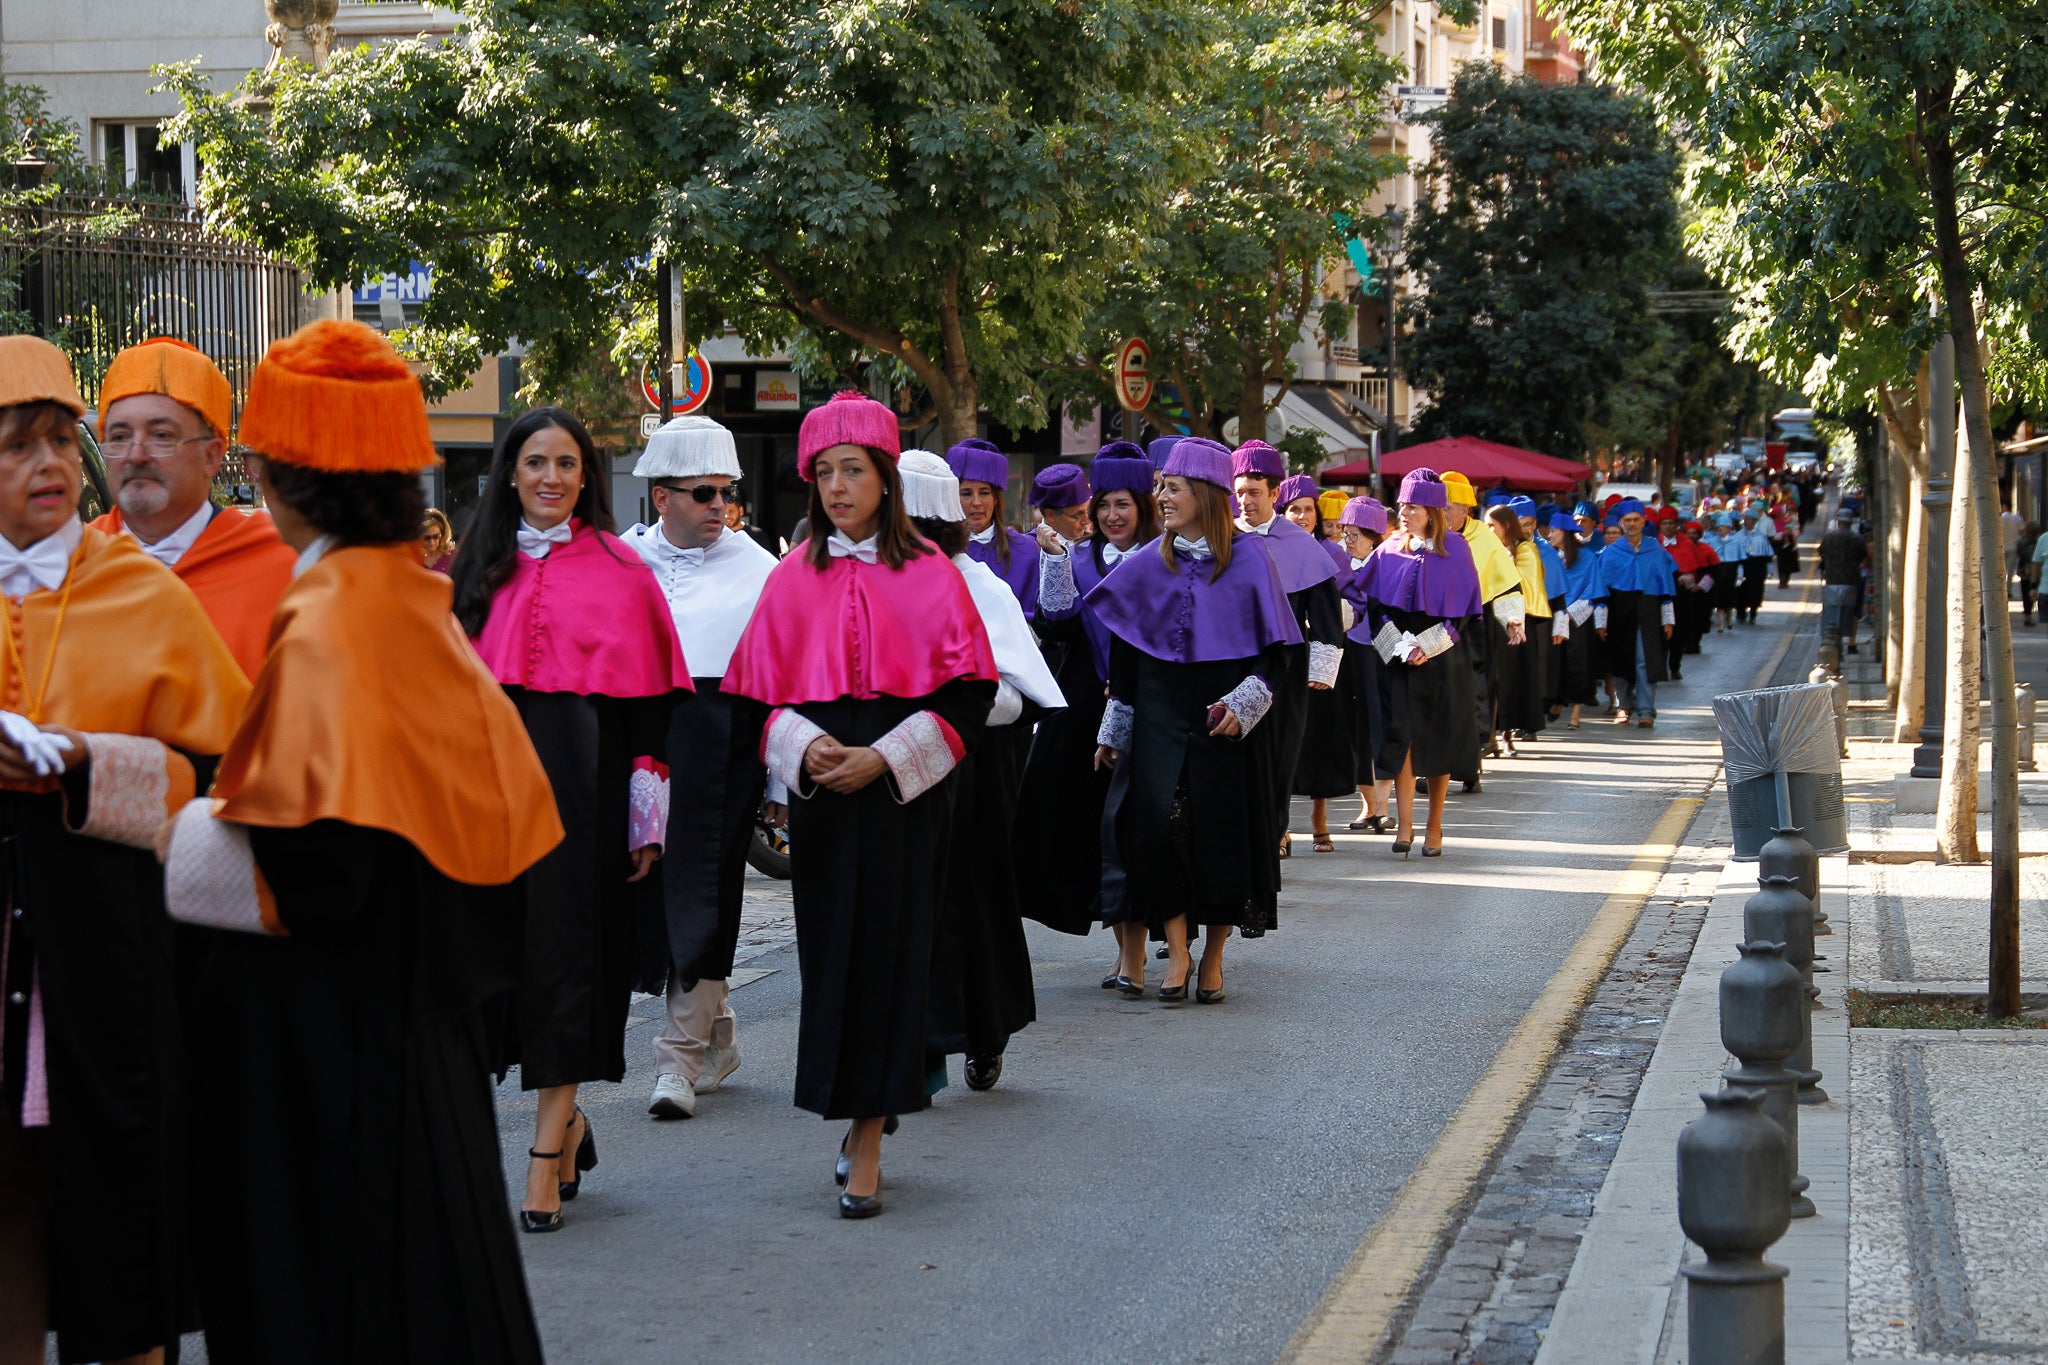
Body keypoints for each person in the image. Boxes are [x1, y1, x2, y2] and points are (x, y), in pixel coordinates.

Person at [159, 319, 560, 1364]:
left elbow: (316, 867)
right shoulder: (406, 597)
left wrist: (157, 820)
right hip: (412, 1019)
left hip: (326, 1042)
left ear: (276, 472)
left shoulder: (332, 613)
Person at [0, 337, 248, 1365]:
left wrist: (84, 768)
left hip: (104, 947)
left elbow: (217, 769)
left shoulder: (144, 592)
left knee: (115, 1195)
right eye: (16, 448)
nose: (48, 465)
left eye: (60, 441)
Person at [724, 391, 998, 1219]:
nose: (838, 486)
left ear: (886, 478)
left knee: (892, 954)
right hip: (822, 792)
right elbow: (749, 698)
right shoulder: (787, 579)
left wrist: (884, 755)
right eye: (824, 473)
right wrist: (804, 750)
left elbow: (970, 693)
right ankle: (852, 1117)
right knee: (836, 958)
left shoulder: (934, 575)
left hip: (903, 793)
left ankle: (872, 1134)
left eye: (854, 469)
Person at [450, 406, 690, 1232]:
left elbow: (653, 720)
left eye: (566, 463)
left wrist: (644, 821)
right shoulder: (465, 571)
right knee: (491, 970)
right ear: (509, 473)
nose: (550, 477)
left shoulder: (625, 573)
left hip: (579, 804)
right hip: (481, 804)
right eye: (534, 462)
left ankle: (546, 1152)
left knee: (564, 968)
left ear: (586, 475)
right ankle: (568, 1124)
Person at [1088, 437, 1300, 1004]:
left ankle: (1214, 955)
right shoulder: (1146, 562)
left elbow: (1278, 653)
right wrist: (1115, 729)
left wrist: (1246, 702)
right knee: (1158, 831)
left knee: (1219, 834)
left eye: (1171, 488)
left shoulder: (1252, 559)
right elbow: (1127, 654)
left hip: (1222, 720)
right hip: (1158, 714)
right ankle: (1178, 950)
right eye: (1159, 487)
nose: (1160, 498)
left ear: (1204, 495)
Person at [621, 416, 779, 1121]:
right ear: (662, 497)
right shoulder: (624, 561)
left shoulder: (762, 570)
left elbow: (784, 686)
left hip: (725, 745)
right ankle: (715, 1035)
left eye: (728, 493)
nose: (721, 506)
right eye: (705, 492)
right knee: (649, 896)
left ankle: (676, 1059)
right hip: (641, 746)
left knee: (705, 893)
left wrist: (779, 783)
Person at [899, 450, 1062, 1091]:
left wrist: (939, 705)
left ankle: (984, 1030)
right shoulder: (872, 579)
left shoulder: (980, 586)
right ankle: (918, 1044)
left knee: (973, 901)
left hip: (971, 768)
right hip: (896, 767)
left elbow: (1015, 695)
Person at [1017, 443, 1157, 983]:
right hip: (1083, 716)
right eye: (1103, 507)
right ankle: (1124, 952)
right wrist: (1055, 560)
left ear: (1142, 505)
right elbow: (1055, 623)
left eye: (1123, 505)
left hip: (1146, 705)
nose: (1111, 517)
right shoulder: (1076, 558)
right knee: (1092, 828)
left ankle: (1140, 953)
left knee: (1135, 827)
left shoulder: (1164, 559)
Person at [87, 336, 296, 680]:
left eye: (162, 436)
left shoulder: (282, 566)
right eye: (120, 437)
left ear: (211, 456)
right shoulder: (69, 566)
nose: (136, 455)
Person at [1346, 470, 1483, 858]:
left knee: (1437, 740)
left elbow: (1465, 612)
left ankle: (1434, 825)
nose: (1404, 513)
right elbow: (1374, 606)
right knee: (1400, 738)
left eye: (1414, 507)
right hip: (1398, 655)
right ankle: (1404, 825)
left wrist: (1430, 645)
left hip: (1442, 656)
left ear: (1433, 512)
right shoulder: (1388, 549)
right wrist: (1397, 645)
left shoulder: (1456, 548)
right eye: (1402, 505)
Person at [1231, 444, 1342, 856]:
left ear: (1275, 493)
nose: (1245, 500)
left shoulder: (1300, 544)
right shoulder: (1222, 536)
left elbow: (1326, 614)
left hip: (1286, 667)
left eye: (1254, 492)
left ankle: (1276, 827)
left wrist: (1324, 667)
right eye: (1240, 491)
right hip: (1231, 660)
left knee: (1280, 750)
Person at [1275, 471, 1353, 851]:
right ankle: (1280, 826)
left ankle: (1319, 818)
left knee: (1316, 743)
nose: (1303, 517)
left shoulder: (1331, 552)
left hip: (1318, 656)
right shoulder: (1264, 546)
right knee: (1282, 748)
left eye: (1309, 510)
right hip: (1281, 659)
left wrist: (1340, 616)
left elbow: (1354, 599)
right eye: (1295, 509)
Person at [1440, 471, 1524, 791]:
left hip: (1475, 622)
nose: (1444, 513)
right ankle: (1440, 767)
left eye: (1450, 507)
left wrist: (1513, 620)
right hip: (1438, 621)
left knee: (1474, 690)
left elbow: (1505, 584)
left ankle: (1471, 763)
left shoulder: (1484, 539)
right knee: (1441, 695)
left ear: (1466, 510)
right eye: (1440, 507)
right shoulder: (1432, 536)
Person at [1336, 496, 1393, 832]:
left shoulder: (1389, 563)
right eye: (1345, 533)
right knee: (1357, 726)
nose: (1348, 541)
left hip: (1381, 651)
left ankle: (1384, 805)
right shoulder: (1340, 564)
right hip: (1349, 650)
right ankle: (1367, 805)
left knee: (1381, 725)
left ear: (1374, 537)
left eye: (1355, 534)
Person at [1597, 499, 1677, 729]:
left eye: (1636, 519)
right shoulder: (1612, 553)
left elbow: (1666, 590)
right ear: (1621, 523)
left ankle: (1646, 710)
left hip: (1649, 612)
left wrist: (1668, 619)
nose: (1632, 524)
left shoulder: (1656, 551)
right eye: (1627, 520)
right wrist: (1600, 622)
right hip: (1619, 613)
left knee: (1645, 661)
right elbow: (1602, 593)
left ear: (1643, 521)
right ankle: (1623, 706)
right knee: (1620, 661)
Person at [1484, 504, 1553, 754]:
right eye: (1486, 525)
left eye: (1493, 525)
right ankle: (1489, 735)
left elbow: (1525, 584)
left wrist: (1506, 561)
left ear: (1507, 526)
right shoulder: (1486, 549)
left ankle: (1507, 735)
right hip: (1491, 620)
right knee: (1492, 680)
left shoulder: (1526, 550)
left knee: (1513, 680)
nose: (1488, 530)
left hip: (1518, 621)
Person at [949, 437, 1040, 616]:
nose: (976, 502)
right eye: (966, 494)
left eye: (984, 493)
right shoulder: (940, 552)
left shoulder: (1027, 551)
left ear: (996, 498)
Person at [1546, 511, 1605, 728]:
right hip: (1554, 617)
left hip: (1578, 618)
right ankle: (1558, 701)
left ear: (1565, 533)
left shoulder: (1587, 557)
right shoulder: (1550, 557)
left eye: (1553, 531)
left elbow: (1592, 588)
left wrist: (1570, 612)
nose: (1549, 535)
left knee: (1578, 663)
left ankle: (1576, 713)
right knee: (1557, 663)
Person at [1816, 509, 1869, 655]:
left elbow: (1821, 553)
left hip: (1832, 579)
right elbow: (1863, 557)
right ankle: (1851, 643)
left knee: (1831, 612)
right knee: (1853, 613)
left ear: (1838, 522)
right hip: (1852, 580)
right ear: (1851, 522)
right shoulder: (1857, 539)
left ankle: (1831, 644)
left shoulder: (1828, 538)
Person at [1029, 462, 1092, 547]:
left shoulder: (1098, 547)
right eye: (1078, 515)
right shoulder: (1026, 551)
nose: (1087, 521)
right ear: (1051, 515)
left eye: (1088, 511)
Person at [1733, 509, 1773, 624]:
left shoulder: (1761, 537)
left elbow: (1768, 556)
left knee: (1756, 589)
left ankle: (1753, 612)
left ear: (1755, 521)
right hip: (1742, 565)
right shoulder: (1738, 536)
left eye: (1750, 519)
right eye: (1745, 519)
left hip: (1757, 566)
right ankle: (1741, 611)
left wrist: (1770, 570)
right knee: (1741, 588)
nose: (1747, 522)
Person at [422, 506, 457, 570]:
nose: (431, 542)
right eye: (427, 538)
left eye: (436, 537)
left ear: (443, 534)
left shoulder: (453, 557)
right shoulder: (413, 560)